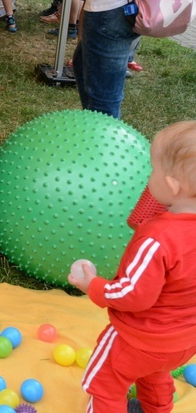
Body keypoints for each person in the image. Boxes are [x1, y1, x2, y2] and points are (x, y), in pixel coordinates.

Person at [68, 120, 196, 413]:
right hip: (183, 342)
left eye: (153, 171)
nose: (149, 177)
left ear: (173, 186)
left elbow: (133, 294)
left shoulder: (157, 239)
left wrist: (94, 286)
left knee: (104, 382)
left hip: (139, 338)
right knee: (155, 374)